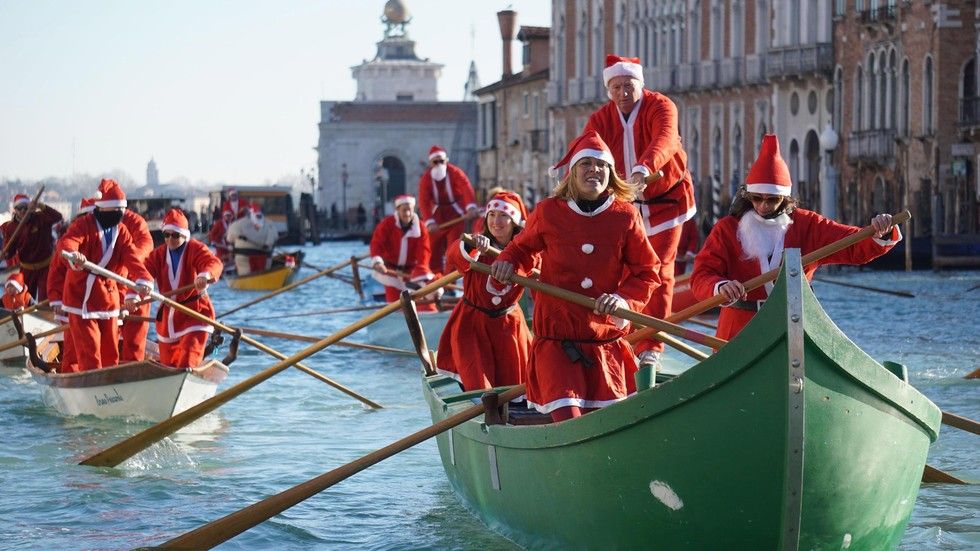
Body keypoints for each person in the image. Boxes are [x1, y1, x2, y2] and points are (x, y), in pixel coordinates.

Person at [490, 131, 662, 423]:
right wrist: (507, 263)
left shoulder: (626, 216)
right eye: (586, 164)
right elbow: (519, 251)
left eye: (601, 165)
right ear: (572, 172)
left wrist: (623, 300)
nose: (594, 170)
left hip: (605, 345)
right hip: (556, 345)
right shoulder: (547, 212)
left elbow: (648, 272)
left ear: (610, 173)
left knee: (610, 425)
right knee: (569, 420)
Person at [691, 135, 901, 341]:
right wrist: (720, 286)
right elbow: (701, 276)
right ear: (748, 196)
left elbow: (853, 245)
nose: (763, 205)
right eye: (757, 198)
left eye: (772, 199)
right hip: (738, 333)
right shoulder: (726, 229)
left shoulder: (807, 225)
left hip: (795, 329)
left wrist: (879, 230)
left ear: (784, 199)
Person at [583, 54, 697, 371]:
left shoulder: (662, 106)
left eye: (628, 85)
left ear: (640, 84)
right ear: (609, 89)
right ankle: (623, 337)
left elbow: (666, 140)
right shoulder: (600, 119)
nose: (623, 92)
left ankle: (651, 344)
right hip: (624, 207)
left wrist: (643, 169)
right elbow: (588, 151)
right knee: (621, 273)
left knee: (658, 274)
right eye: (616, 86)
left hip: (667, 203)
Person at [437, 191, 535, 391]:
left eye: (503, 216)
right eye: (491, 215)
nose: (496, 221)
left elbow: (539, 270)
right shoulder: (477, 244)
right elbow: (454, 255)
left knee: (519, 386)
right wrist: (471, 245)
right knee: (479, 386)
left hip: (509, 325)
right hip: (472, 325)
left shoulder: (527, 253)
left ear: (515, 222)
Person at [60, 179, 152, 370]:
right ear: (102, 210)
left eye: (122, 211)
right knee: (90, 351)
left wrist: (143, 279)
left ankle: (112, 387)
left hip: (108, 298)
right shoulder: (83, 225)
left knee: (110, 352)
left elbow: (132, 257)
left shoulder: (122, 231)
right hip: (81, 298)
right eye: (116, 211)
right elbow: (68, 242)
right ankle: (91, 385)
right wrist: (74, 255)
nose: (120, 215)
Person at [145, 209, 224, 368]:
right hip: (169, 319)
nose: (170, 240)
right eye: (166, 235)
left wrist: (205, 275)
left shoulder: (195, 248)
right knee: (168, 366)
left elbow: (214, 263)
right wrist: (137, 291)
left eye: (175, 235)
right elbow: (142, 273)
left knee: (188, 358)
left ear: (184, 235)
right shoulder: (158, 255)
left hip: (195, 314)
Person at [47, 197, 96, 372]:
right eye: (88, 216)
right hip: (73, 302)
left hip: (100, 305)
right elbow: (55, 274)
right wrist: (56, 301)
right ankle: (71, 375)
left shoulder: (109, 240)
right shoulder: (68, 242)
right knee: (73, 347)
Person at [369, 194, 440, 311]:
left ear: (414, 209)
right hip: (390, 271)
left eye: (410, 210)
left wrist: (421, 273)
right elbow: (376, 244)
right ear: (397, 210)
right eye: (404, 210)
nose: (407, 214)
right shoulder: (387, 224)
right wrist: (377, 262)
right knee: (395, 306)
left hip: (411, 273)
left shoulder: (421, 228)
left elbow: (424, 253)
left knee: (426, 304)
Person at [417, 145, 479, 274]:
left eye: (442, 161)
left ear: (446, 161)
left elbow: (466, 188)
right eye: (436, 161)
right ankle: (435, 278)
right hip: (437, 216)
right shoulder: (426, 179)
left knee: (453, 247)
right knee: (433, 247)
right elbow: (423, 201)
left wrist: (471, 207)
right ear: (431, 163)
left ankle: (449, 279)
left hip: (456, 214)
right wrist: (429, 221)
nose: (439, 164)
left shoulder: (455, 172)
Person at [0, 192, 64, 302]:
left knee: (45, 300)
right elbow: (10, 251)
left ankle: (44, 317)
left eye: (25, 207)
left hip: (46, 267)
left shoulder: (41, 218)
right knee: (25, 298)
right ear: (15, 210)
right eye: (19, 208)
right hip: (26, 269)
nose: (23, 211)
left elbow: (58, 217)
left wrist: (40, 205)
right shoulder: (10, 227)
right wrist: (5, 254)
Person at [118, 190, 155, 362]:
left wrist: (126, 264)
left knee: (134, 339)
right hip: (106, 290)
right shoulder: (89, 223)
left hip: (134, 285)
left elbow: (143, 250)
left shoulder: (136, 223)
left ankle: (132, 368)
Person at [226, 203, 278, 275]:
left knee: (244, 274)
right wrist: (267, 244)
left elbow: (229, 239)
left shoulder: (236, 224)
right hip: (265, 257)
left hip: (244, 257)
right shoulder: (270, 224)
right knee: (264, 272)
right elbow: (274, 237)